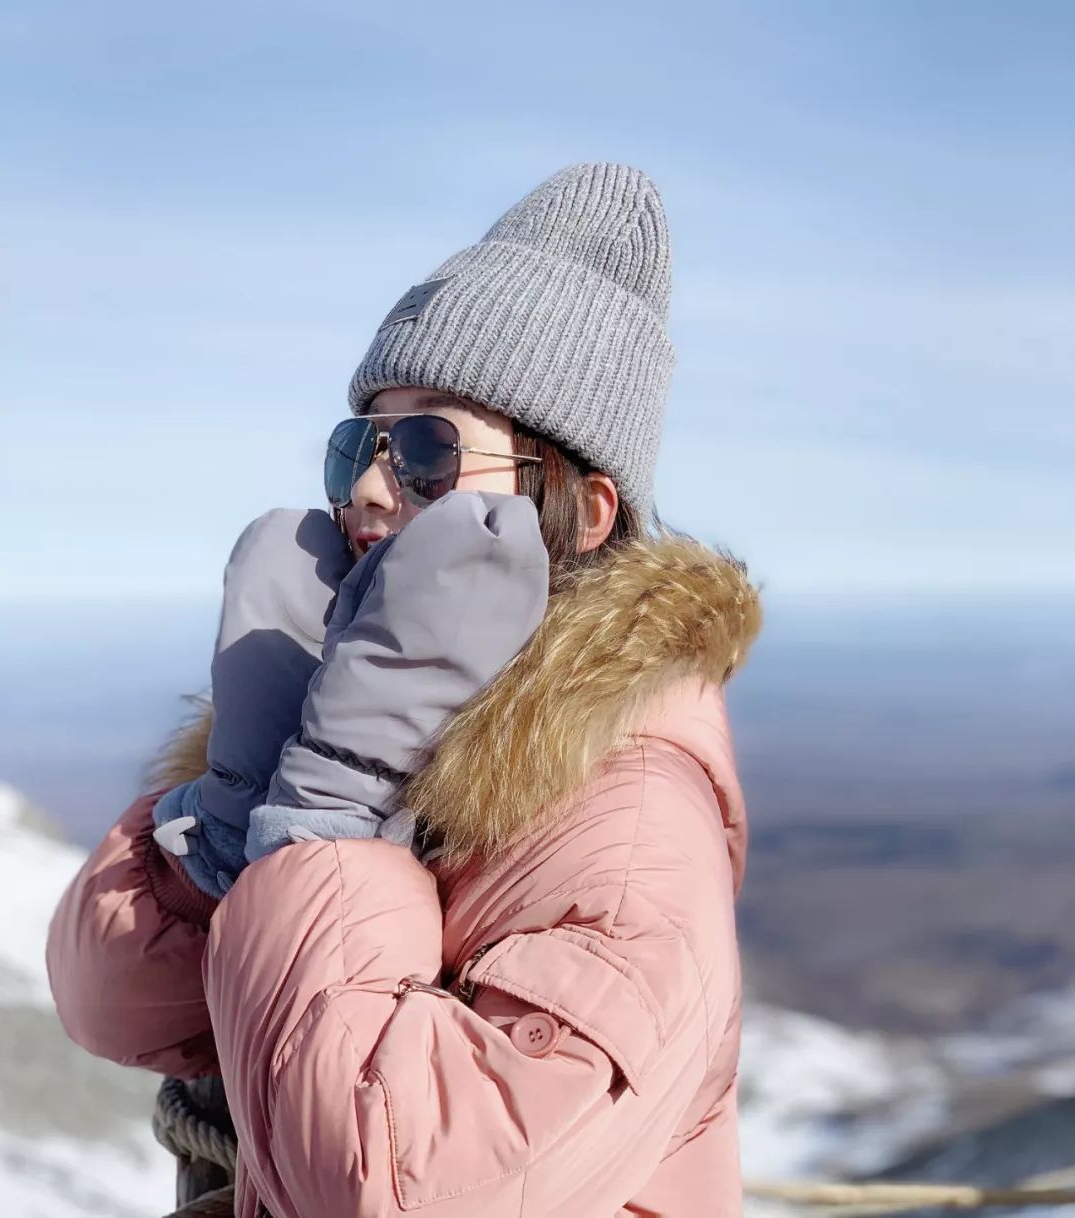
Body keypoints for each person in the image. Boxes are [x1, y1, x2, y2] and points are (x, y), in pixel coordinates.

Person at [46, 162, 762, 1217]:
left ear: (586, 510)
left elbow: (387, 1187)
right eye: (359, 448)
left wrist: (329, 816)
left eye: (429, 449)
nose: (373, 490)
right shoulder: (355, 709)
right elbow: (113, 1004)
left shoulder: (630, 820)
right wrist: (243, 808)